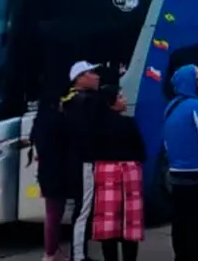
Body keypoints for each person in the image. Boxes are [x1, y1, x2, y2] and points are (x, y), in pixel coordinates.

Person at [163, 64, 198, 261]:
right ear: (191, 83)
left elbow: (167, 142)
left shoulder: (170, 107)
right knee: (196, 229)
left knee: (180, 226)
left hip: (176, 176)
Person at [91, 85, 146, 261]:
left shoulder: (95, 125)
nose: (125, 100)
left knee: (108, 223)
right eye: (121, 97)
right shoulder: (128, 123)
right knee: (129, 222)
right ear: (111, 102)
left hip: (105, 174)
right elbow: (141, 152)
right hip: (128, 174)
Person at [62, 61, 105, 261]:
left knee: (82, 207)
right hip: (84, 161)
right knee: (83, 209)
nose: (96, 76)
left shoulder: (69, 100)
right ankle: (78, 256)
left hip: (76, 161)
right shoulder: (85, 102)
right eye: (91, 73)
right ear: (80, 78)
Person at [31, 79, 70, 261]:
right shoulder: (57, 120)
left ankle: (53, 250)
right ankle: (50, 252)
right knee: (55, 214)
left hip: (45, 171)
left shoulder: (39, 121)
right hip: (58, 171)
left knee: (52, 212)